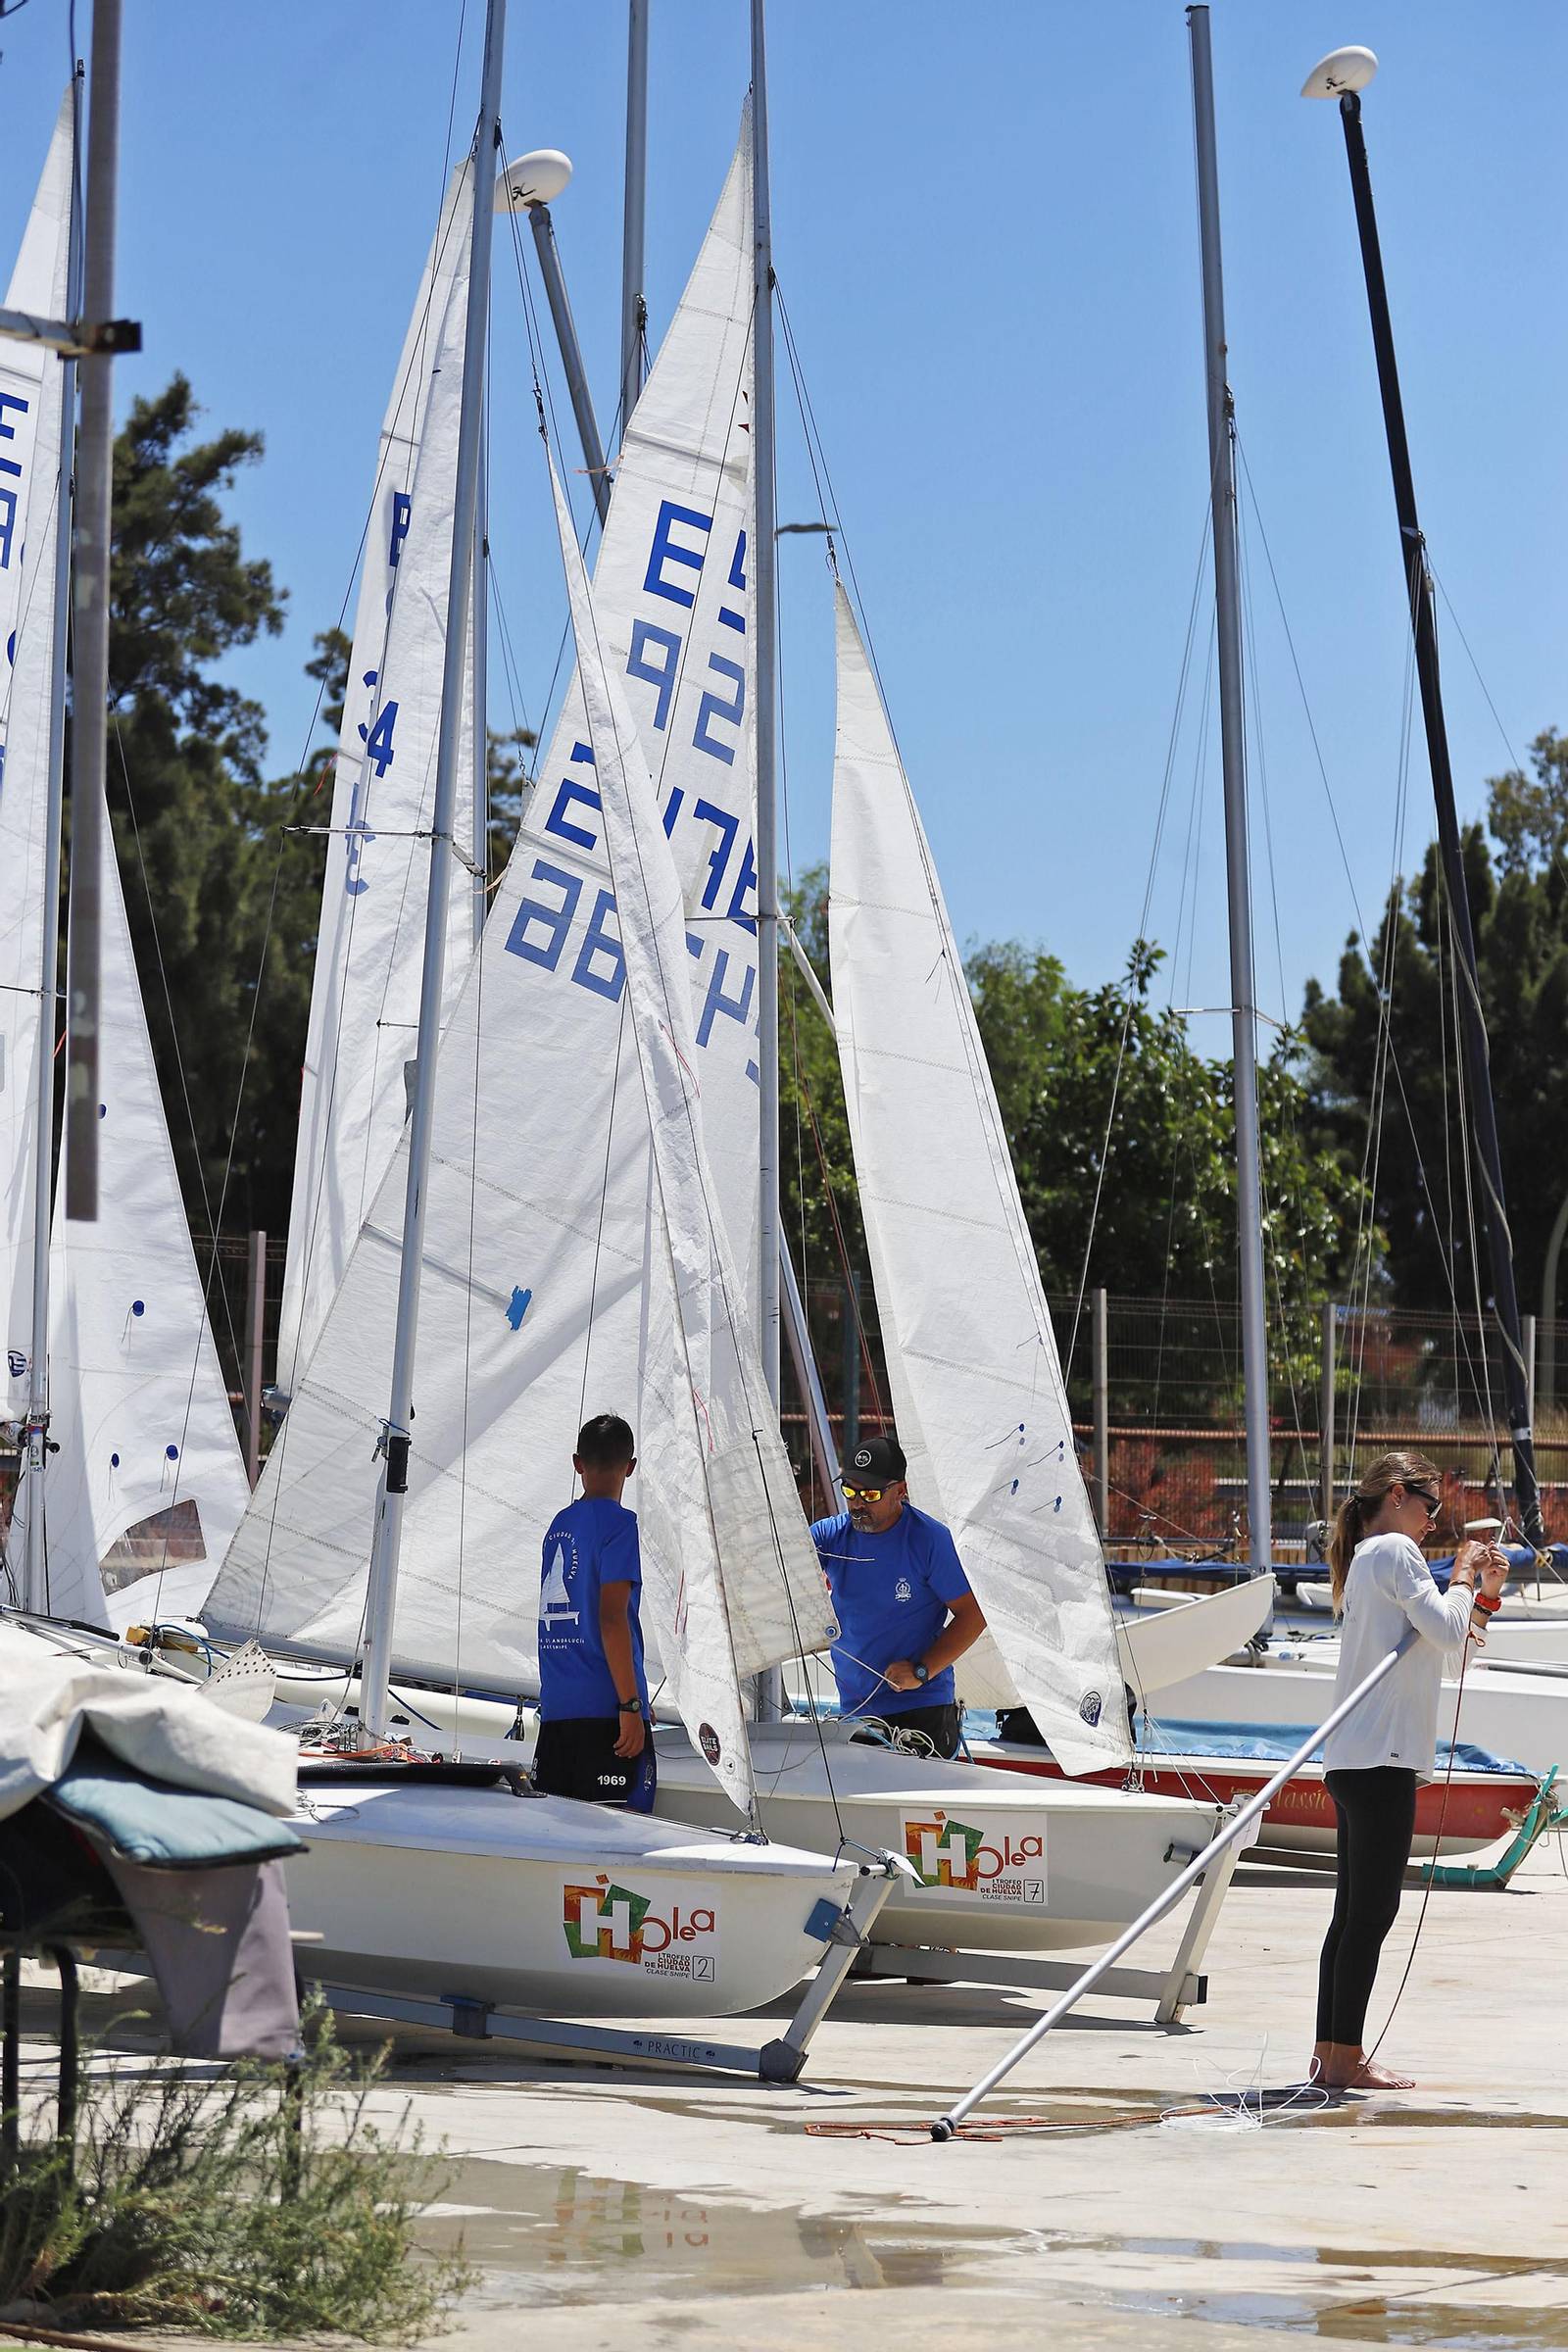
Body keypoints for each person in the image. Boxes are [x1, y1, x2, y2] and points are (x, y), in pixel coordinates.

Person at [1311, 1449, 1507, 2089]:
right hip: (1381, 1760)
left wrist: (1485, 1596)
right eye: (1430, 1507)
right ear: (1397, 1496)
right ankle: (1343, 2058)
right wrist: (1460, 1576)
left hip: (1358, 1757)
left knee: (1353, 1914)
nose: (1433, 1521)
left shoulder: (1372, 1560)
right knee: (1369, 1914)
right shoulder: (1394, 1554)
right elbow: (1448, 1634)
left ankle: (1332, 2054)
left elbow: (1447, 1654)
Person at [808, 1434, 987, 1758]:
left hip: (921, 1712)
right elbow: (779, 1575)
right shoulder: (828, 1536)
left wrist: (922, 1670)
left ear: (900, 1491)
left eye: (871, 1494)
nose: (858, 1503)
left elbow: (974, 1615)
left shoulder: (929, 1541)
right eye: (849, 1490)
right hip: (855, 1713)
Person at [532, 1413, 656, 1811]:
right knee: (623, 1838)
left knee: (558, 1837)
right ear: (631, 1468)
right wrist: (631, 1706)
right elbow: (611, 1618)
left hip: (556, 1715)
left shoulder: (558, 1526)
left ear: (577, 1463)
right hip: (607, 1714)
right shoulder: (620, 1525)